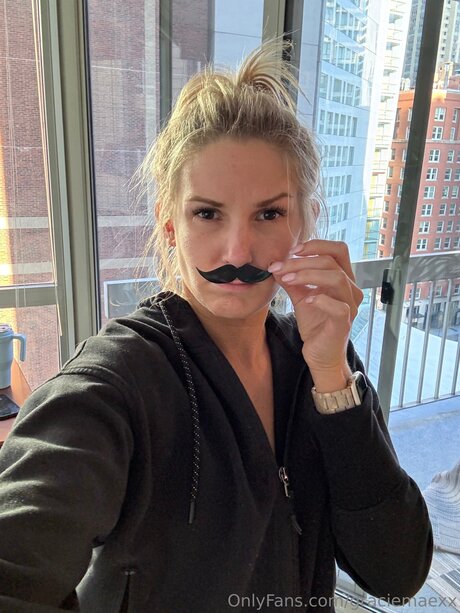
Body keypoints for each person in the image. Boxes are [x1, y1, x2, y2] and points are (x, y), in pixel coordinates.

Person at [0, 42, 432, 612]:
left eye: (269, 214)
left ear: (304, 223)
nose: (238, 250)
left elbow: (397, 573)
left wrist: (332, 375)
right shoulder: (116, 383)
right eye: (207, 214)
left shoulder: (322, 365)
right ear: (170, 225)